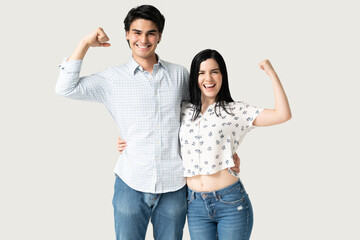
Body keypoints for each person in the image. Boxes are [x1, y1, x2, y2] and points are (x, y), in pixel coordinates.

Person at [56, 5, 239, 240]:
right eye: (137, 32)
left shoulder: (179, 74)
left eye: (151, 33)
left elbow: (201, 116)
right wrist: (84, 43)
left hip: (174, 185)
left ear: (160, 36)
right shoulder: (112, 79)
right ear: (127, 34)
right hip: (131, 183)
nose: (143, 39)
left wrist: (224, 151)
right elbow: (65, 88)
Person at [118, 49, 291, 240]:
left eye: (214, 71)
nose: (208, 78)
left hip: (231, 203)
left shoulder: (235, 111)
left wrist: (272, 74)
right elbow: (156, 126)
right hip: (195, 205)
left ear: (223, 75)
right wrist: (126, 140)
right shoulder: (183, 108)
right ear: (195, 78)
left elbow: (282, 115)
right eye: (201, 73)